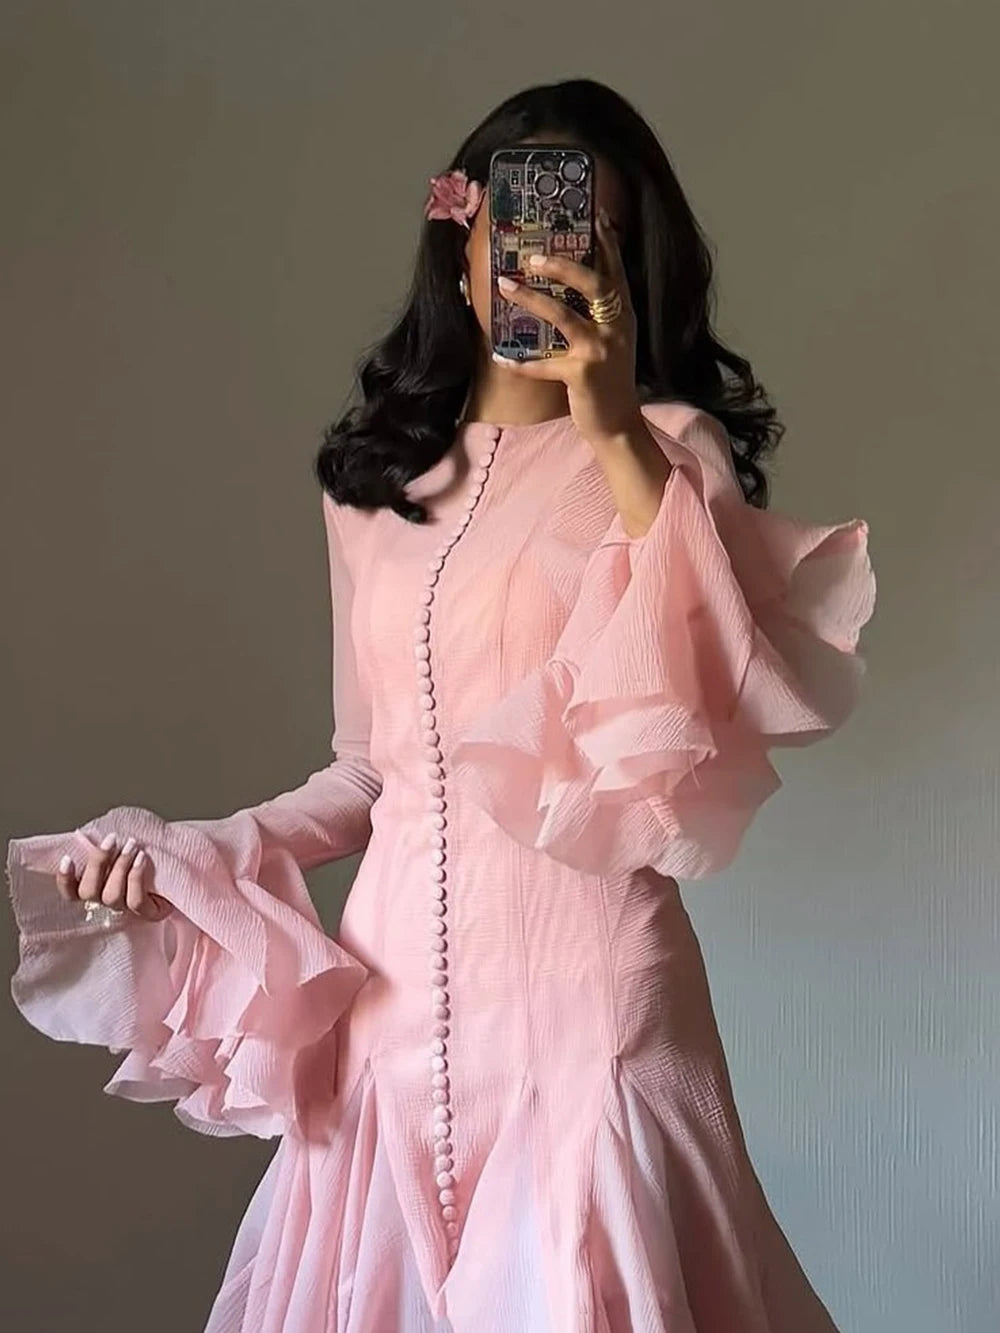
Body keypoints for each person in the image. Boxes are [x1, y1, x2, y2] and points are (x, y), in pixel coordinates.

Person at [6, 78, 876, 1333]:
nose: (543, 257)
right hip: (385, 1020)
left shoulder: (666, 454)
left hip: (593, 1009)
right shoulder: (369, 488)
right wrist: (194, 853)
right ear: (456, 237)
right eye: (514, 222)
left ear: (629, 266)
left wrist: (613, 424)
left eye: (587, 231)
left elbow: (704, 699)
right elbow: (368, 771)